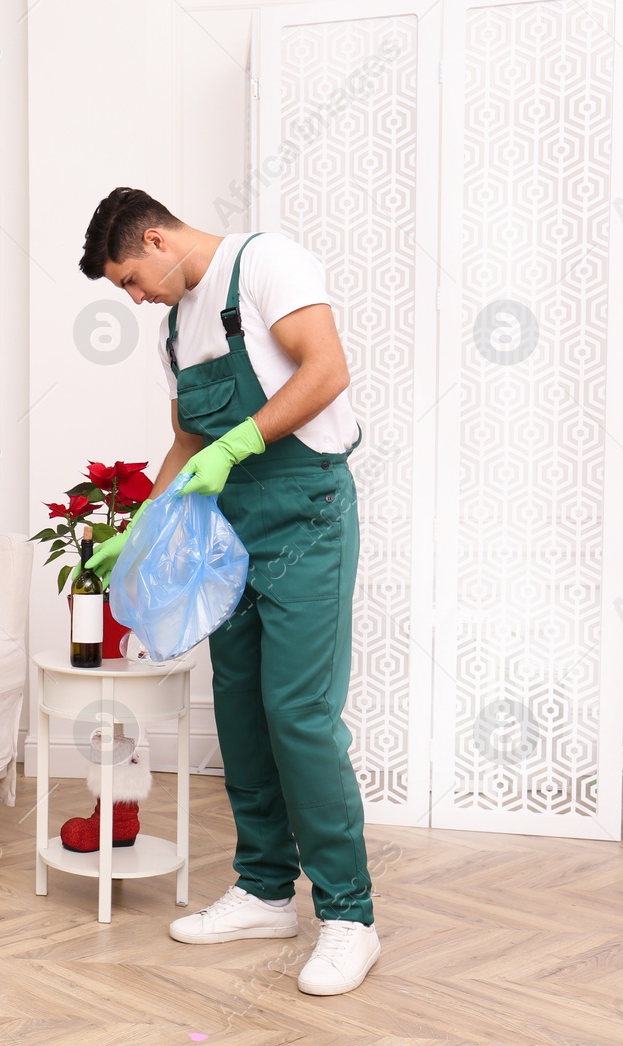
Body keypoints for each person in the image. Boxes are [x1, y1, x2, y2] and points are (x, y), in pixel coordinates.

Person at [78, 188, 377, 996]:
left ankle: (349, 914)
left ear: (154, 237)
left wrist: (241, 440)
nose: (137, 300)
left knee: (299, 711)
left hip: (307, 514)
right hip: (230, 530)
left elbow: (327, 370)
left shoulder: (266, 264)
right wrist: (139, 533)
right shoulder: (177, 330)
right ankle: (265, 890)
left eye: (132, 279)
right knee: (240, 706)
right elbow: (185, 440)